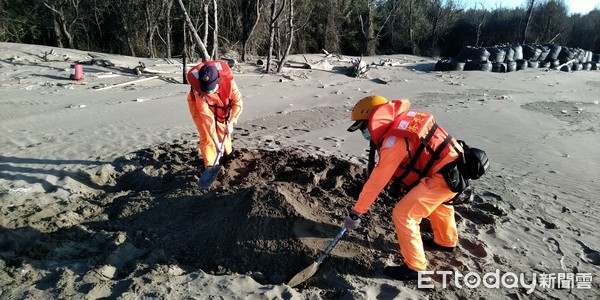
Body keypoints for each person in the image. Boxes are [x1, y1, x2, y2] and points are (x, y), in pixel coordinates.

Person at [344, 95, 465, 281]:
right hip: (454, 168)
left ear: (374, 121)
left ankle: (415, 268)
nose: (364, 133)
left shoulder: (394, 141)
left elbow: (377, 180)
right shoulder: (403, 120)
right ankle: (445, 241)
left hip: (444, 177)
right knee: (439, 203)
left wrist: (356, 212)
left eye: (363, 128)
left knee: (404, 214)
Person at [186, 60, 243, 170]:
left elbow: (238, 103)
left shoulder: (230, 84)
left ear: (218, 80)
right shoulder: (199, 92)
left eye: (211, 87)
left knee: (223, 128)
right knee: (206, 135)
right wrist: (216, 143)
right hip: (200, 109)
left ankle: (227, 155)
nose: (209, 91)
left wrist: (231, 122)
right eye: (206, 88)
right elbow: (207, 119)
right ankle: (210, 165)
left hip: (221, 105)